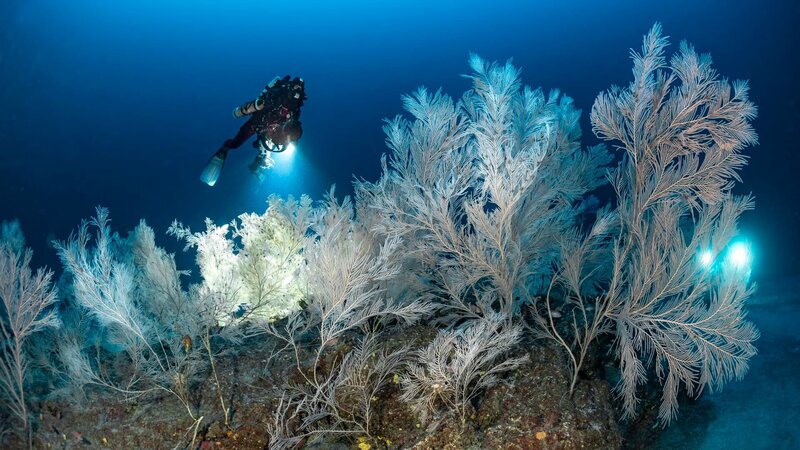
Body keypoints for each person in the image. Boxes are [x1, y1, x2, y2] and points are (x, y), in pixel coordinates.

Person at [200, 75, 306, 186]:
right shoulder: (278, 95)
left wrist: (290, 136)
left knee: (264, 151)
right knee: (236, 144)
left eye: (300, 89)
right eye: (296, 87)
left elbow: (293, 127)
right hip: (257, 123)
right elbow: (261, 104)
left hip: (270, 130)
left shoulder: (295, 108)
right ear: (290, 87)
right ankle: (224, 150)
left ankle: (256, 165)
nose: (297, 92)